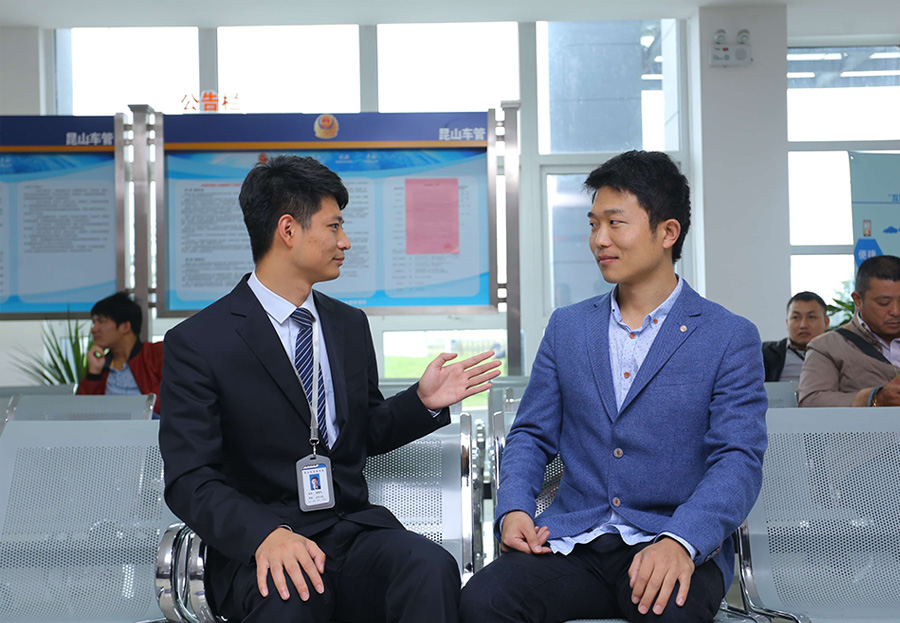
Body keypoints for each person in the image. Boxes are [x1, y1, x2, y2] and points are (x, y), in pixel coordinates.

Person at [159, 155, 500, 623]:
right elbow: (190, 479)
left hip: (349, 531)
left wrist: (421, 402)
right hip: (262, 544)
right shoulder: (200, 341)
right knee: (293, 599)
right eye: (334, 226)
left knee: (427, 568)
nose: (345, 241)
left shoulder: (347, 325)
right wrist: (264, 535)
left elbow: (364, 432)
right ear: (288, 230)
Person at [460, 151, 767, 623]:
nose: (599, 239)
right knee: (483, 600)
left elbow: (737, 458)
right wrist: (515, 508)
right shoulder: (568, 327)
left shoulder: (728, 336)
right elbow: (531, 435)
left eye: (615, 223)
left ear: (667, 232)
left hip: (668, 540)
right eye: (593, 224)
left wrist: (682, 540)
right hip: (572, 542)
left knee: (669, 612)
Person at [799, 254, 900, 407]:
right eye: (883, 302)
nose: (895, 311)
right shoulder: (828, 346)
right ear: (858, 300)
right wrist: (874, 399)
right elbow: (811, 401)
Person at [77, 291, 164, 416]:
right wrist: (94, 374)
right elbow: (83, 413)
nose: (94, 329)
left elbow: (167, 403)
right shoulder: (102, 365)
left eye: (101, 321)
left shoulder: (155, 355)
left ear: (125, 327)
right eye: (94, 323)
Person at [762, 292, 830, 383]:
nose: (803, 325)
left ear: (826, 323)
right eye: (796, 317)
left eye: (811, 317)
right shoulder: (765, 353)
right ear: (787, 323)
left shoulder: (839, 354)